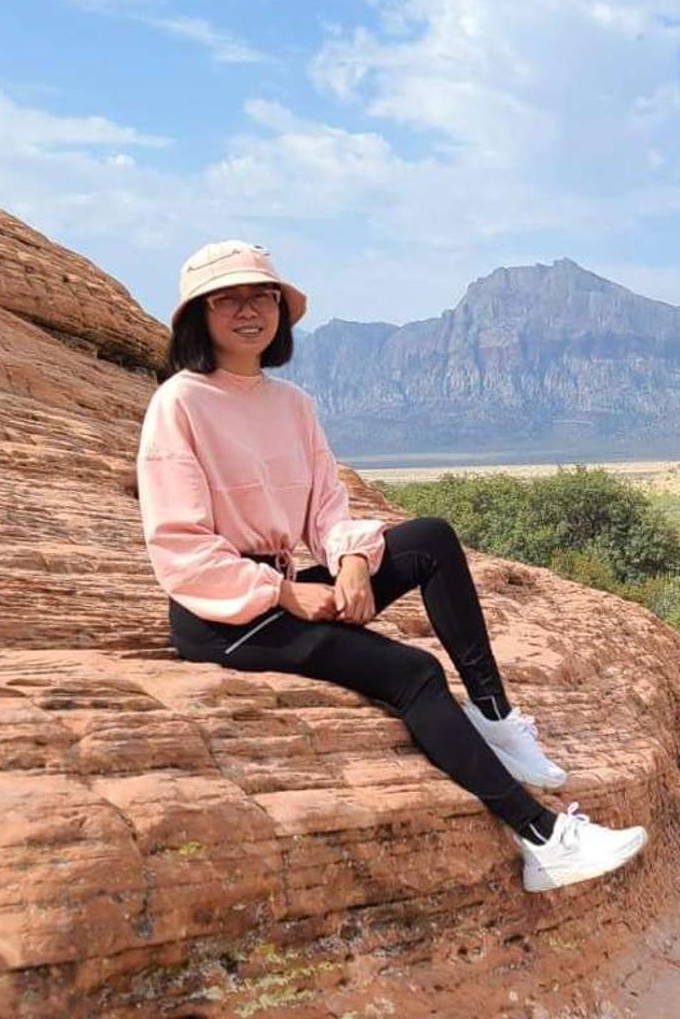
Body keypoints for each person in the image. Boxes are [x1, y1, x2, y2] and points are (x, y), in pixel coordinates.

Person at [136, 240, 645, 892]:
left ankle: (493, 715)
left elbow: (326, 506)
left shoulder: (291, 404)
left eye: (261, 295)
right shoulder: (179, 403)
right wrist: (284, 594)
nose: (248, 310)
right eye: (227, 298)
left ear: (279, 311)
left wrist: (349, 561)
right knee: (413, 671)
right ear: (198, 317)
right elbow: (178, 543)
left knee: (430, 538)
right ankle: (543, 838)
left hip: (286, 582)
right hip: (225, 614)